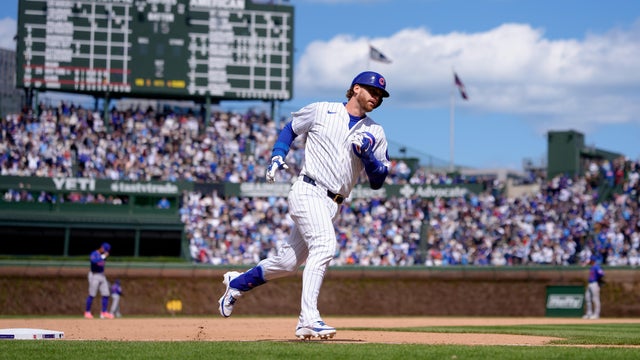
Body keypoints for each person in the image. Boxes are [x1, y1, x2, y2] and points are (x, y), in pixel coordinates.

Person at [217, 71, 391, 340]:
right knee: (324, 245)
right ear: (356, 88)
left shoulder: (375, 131)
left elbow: (379, 180)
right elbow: (291, 128)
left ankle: (236, 283)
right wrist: (277, 154)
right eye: (372, 91)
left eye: (380, 95)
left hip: (333, 203)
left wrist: (368, 157)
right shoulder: (322, 110)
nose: (376, 97)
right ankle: (308, 320)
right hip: (308, 189)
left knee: (287, 263)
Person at [84, 242, 114, 319]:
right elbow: (94, 261)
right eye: (106, 250)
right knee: (92, 294)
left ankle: (103, 312)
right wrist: (103, 256)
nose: (106, 252)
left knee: (106, 294)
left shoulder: (104, 255)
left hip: (102, 275)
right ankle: (87, 312)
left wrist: (104, 256)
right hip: (94, 275)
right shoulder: (94, 253)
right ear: (102, 248)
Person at [583, 255, 605, 319]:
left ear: (593, 260)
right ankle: (589, 313)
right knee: (587, 298)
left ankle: (596, 314)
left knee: (595, 299)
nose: (590, 261)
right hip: (590, 283)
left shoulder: (596, 267)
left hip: (595, 283)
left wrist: (599, 280)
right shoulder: (592, 267)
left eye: (590, 260)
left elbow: (602, 273)